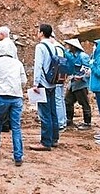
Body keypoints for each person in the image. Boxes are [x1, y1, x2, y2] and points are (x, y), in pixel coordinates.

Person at [30, 23, 59, 151]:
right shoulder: (53, 46)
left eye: (38, 31)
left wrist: (35, 83)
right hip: (52, 82)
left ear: (41, 33)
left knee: (44, 113)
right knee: (53, 111)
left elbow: (38, 65)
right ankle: (54, 138)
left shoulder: (40, 47)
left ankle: (45, 142)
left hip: (43, 82)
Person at [63, 38, 92, 130]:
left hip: (81, 84)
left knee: (84, 103)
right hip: (73, 83)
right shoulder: (73, 56)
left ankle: (87, 123)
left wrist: (82, 77)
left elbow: (88, 69)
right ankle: (69, 120)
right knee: (68, 101)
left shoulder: (83, 56)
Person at [49, 32, 67, 131]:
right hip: (61, 76)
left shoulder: (56, 47)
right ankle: (62, 120)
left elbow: (59, 63)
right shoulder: (60, 47)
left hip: (57, 77)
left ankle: (60, 122)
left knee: (57, 99)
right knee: (60, 98)